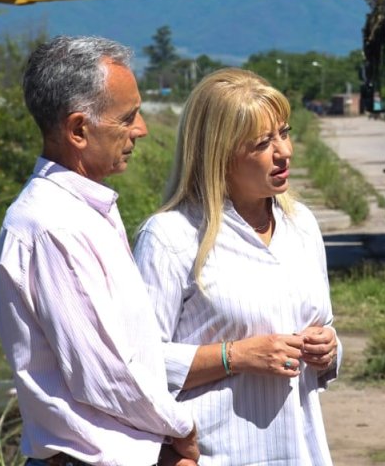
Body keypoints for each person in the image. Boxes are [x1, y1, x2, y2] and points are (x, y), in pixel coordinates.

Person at [0, 35, 199, 466]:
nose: (140, 129)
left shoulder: (85, 209)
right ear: (79, 130)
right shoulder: (54, 225)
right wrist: (182, 428)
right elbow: (106, 375)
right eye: (127, 118)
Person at [133, 68, 340, 465]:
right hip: (216, 454)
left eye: (284, 132)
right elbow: (136, 365)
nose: (285, 152)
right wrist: (235, 355)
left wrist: (328, 348)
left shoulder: (302, 226)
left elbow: (325, 326)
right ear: (219, 155)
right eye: (263, 143)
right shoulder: (171, 237)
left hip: (300, 453)